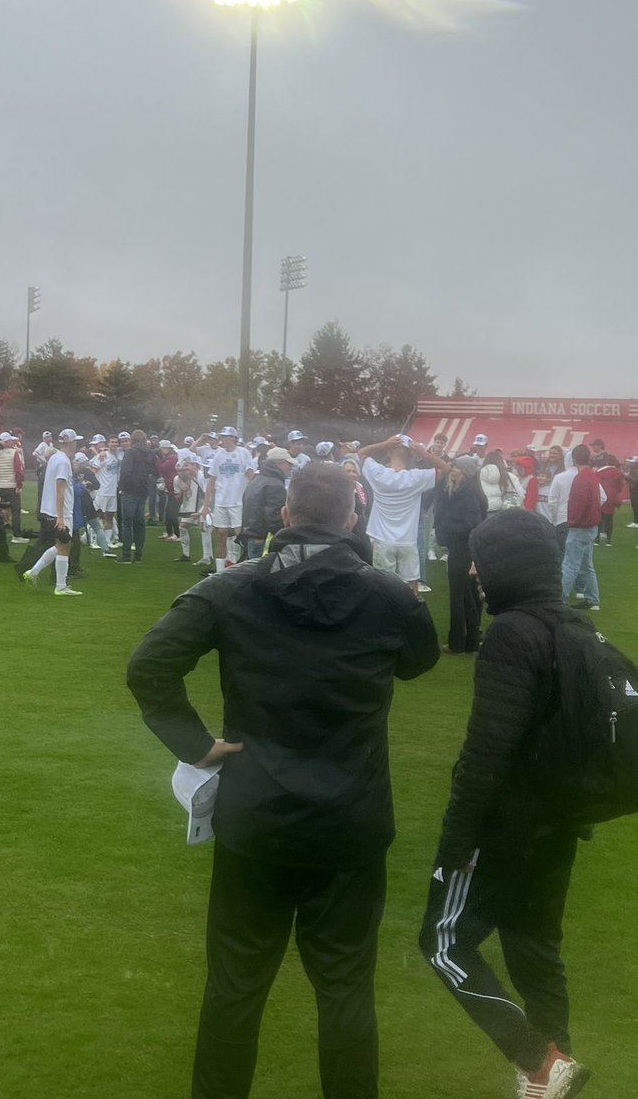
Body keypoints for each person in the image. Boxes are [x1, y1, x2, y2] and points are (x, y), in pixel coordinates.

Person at [127, 466, 440, 1099]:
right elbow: (418, 661)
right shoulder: (391, 595)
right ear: (352, 517)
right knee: (345, 987)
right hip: (347, 821)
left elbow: (149, 666)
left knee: (236, 985)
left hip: (258, 817)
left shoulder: (233, 588)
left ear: (286, 514)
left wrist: (197, 745)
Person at [420, 508, 591, 1099]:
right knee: (534, 947)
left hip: (505, 828)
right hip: (558, 824)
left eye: (481, 561)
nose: (473, 571)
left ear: (505, 568)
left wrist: (457, 836)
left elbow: (487, 749)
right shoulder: (574, 628)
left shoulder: (513, 633)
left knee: (442, 942)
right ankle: (548, 1075)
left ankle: (536, 1060)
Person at [359, 435, 451, 595]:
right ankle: (410, 615)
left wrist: (383, 444)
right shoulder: (416, 477)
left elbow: (361, 453)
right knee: (411, 585)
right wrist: (424, 453)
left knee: (384, 586)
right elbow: (446, 468)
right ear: (410, 454)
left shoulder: (378, 473)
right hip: (407, 540)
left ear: (388, 452)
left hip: (383, 538)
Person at [433, 456, 487, 654]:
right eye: (453, 466)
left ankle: (458, 643)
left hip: (462, 550)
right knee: (467, 597)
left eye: (457, 468)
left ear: (467, 473)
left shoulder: (468, 494)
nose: (452, 470)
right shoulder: (462, 490)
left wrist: (446, 528)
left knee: (460, 597)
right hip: (463, 550)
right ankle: (469, 642)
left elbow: (472, 524)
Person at [24, 429, 82, 595]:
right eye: (75, 441)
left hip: (50, 510)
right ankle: (60, 586)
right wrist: (61, 517)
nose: (76, 444)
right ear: (70, 442)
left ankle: (33, 572)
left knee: (61, 545)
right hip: (61, 511)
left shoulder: (55, 458)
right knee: (65, 546)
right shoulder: (63, 462)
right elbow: (60, 490)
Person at [200, 426, 255, 573]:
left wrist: (254, 496)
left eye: (224, 437)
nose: (221, 439)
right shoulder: (218, 455)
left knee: (240, 535)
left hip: (238, 501)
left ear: (233, 438)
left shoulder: (243, 453)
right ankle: (219, 571)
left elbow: (251, 475)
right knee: (221, 534)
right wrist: (205, 505)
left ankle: (243, 567)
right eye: (221, 437)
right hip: (221, 501)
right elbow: (212, 480)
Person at [560, 444, 602, 612]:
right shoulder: (592, 475)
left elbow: (579, 503)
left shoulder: (581, 478)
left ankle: (560, 600)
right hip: (591, 526)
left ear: (574, 459)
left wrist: (572, 521)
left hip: (580, 527)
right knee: (586, 565)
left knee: (570, 565)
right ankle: (593, 599)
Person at [239, 445, 292, 558]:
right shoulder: (275, 484)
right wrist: (285, 537)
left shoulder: (256, 479)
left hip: (251, 535)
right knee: (262, 573)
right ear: (280, 463)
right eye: (289, 463)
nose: (290, 467)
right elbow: (275, 518)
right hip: (263, 539)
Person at [118, 430, 157, 564]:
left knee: (127, 523)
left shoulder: (131, 452)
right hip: (143, 490)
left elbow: (125, 472)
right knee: (139, 523)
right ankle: (138, 554)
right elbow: (154, 472)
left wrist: (122, 488)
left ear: (133, 440)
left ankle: (126, 555)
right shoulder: (150, 453)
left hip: (130, 490)